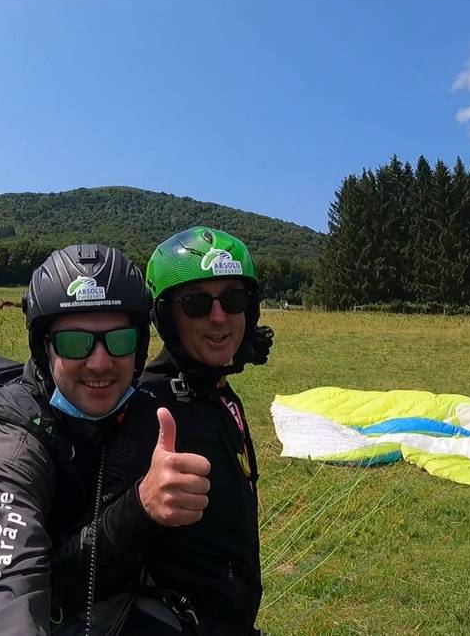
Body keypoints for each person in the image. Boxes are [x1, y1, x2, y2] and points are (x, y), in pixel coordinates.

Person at [0, 243, 160, 635]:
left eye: (120, 340)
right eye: (75, 343)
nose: (100, 362)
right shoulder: (8, 446)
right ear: (44, 349)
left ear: (140, 347)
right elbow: (12, 570)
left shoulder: (133, 412)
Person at [104, 226, 273, 634]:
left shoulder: (217, 392)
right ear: (167, 317)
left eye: (234, 300)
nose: (219, 317)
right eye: (196, 304)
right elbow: (89, 565)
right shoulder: (145, 407)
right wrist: (140, 506)